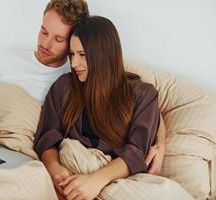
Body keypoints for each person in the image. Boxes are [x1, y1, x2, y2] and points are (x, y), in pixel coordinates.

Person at [0, 0, 163, 175]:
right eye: (43, 32)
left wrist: (160, 144)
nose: (46, 44)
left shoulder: (76, 77)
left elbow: (143, 108)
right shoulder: (5, 58)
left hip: (22, 155)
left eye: (58, 39)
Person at [34, 16, 162, 200]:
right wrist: (54, 169)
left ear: (104, 54)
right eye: (72, 54)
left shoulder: (143, 95)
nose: (75, 63)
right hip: (67, 178)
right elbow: (47, 136)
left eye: (82, 55)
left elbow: (137, 152)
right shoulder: (64, 86)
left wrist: (95, 181)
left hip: (113, 179)